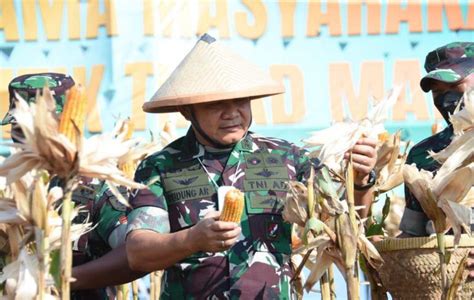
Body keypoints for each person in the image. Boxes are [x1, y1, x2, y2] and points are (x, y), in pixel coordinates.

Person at [125, 33, 377, 299]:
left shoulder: (288, 158)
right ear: (187, 111)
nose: (232, 112)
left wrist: (360, 181)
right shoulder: (160, 167)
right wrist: (191, 240)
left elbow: (344, 227)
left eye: (241, 101)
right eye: (216, 104)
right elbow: (138, 253)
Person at [1, 73, 142, 298]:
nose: (22, 138)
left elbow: (132, 253)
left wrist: (62, 280)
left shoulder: (94, 187)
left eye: (33, 128)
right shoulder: (7, 185)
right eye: (17, 128)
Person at [399, 42, 474, 237]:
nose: (446, 99)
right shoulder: (422, 155)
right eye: (438, 92)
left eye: (454, 85)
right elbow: (413, 235)